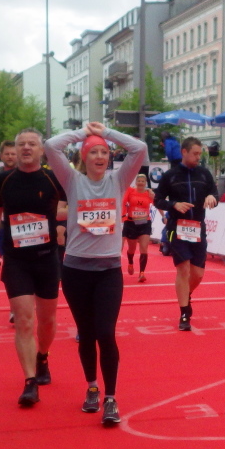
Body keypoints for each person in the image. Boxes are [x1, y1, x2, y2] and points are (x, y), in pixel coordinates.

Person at [44, 121, 146, 426]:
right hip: (75, 270)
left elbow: (139, 148)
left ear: (110, 157)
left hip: (108, 271)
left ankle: (111, 398)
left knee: (105, 332)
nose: (99, 156)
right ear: (83, 157)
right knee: (86, 333)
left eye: (104, 152)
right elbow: (50, 146)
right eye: (93, 152)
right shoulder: (72, 181)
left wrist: (106, 133)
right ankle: (92, 387)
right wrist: (82, 134)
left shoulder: (119, 181)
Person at [0, 129, 66, 407]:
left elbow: (72, 206)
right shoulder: (3, 180)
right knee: (24, 319)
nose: (26, 148)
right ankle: (30, 381)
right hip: (17, 259)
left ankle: (43, 356)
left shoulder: (53, 179)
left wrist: (63, 223)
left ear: (42, 150)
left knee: (47, 320)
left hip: (47, 258)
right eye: (21, 144)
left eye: (32, 144)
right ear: (14, 150)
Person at [154, 137, 219, 331]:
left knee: (198, 274)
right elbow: (158, 200)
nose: (198, 157)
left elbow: (215, 194)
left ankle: (186, 294)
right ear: (184, 152)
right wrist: (174, 204)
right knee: (183, 269)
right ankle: (184, 313)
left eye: (200, 154)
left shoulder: (204, 174)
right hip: (176, 228)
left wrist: (212, 197)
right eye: (195, 153)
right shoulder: (170, 175)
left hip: (198, 228)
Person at [123, 174, 155, 282]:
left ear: (146, 183)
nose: (141, 183)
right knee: (131, 249)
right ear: (136, 182)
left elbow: (157, 203)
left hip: (145, 223)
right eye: (139, 181)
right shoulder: (130, 191)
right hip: (131, 223)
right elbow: (123, 202)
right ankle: (130, 262)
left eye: (143, 181)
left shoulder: (149, 193)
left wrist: (164, 216)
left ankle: (142, 273)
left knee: (144, 248)